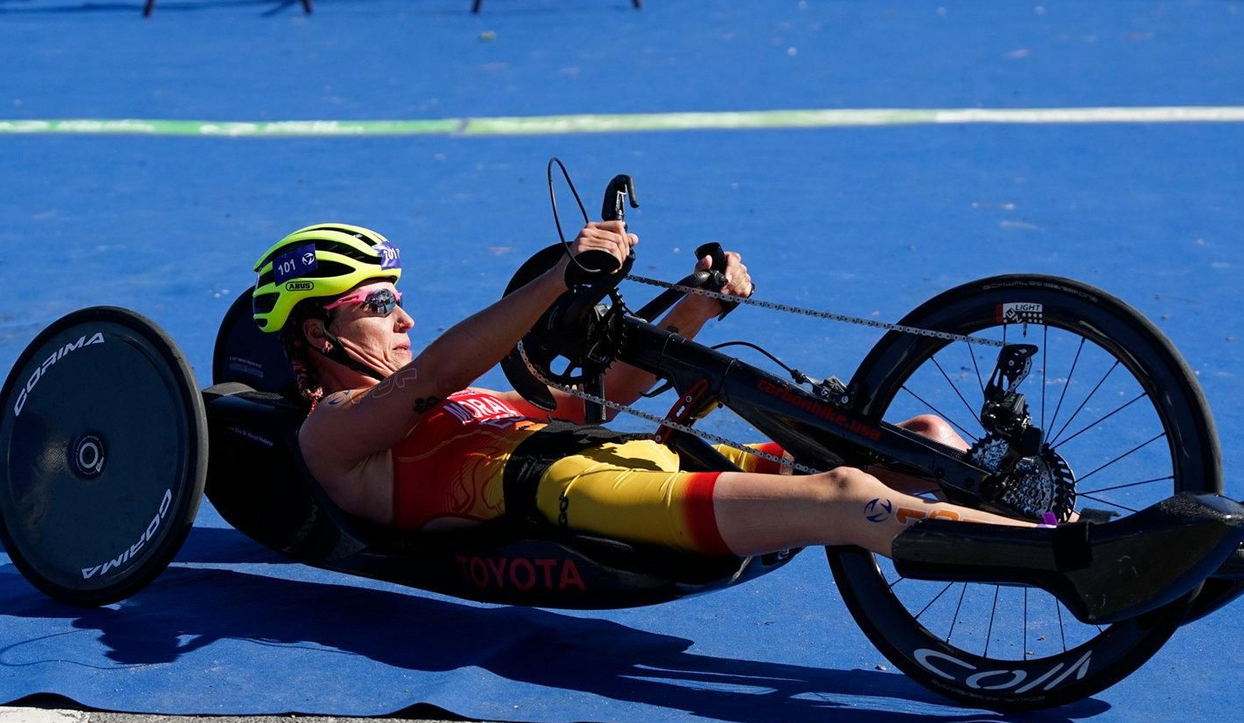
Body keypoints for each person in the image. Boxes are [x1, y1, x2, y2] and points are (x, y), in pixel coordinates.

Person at [248, 220, 1038, 564]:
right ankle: (1058, 553)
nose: (405, 317)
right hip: (580, 495)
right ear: (317, 333)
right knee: (845, 496)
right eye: (380, 303)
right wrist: (560, 279)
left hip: (638, 458)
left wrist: (697, 306)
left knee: (920, 440)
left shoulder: (459, 405)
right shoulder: (331, 431)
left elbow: (586, 408)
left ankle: (1047, 524)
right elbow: (436, 374)